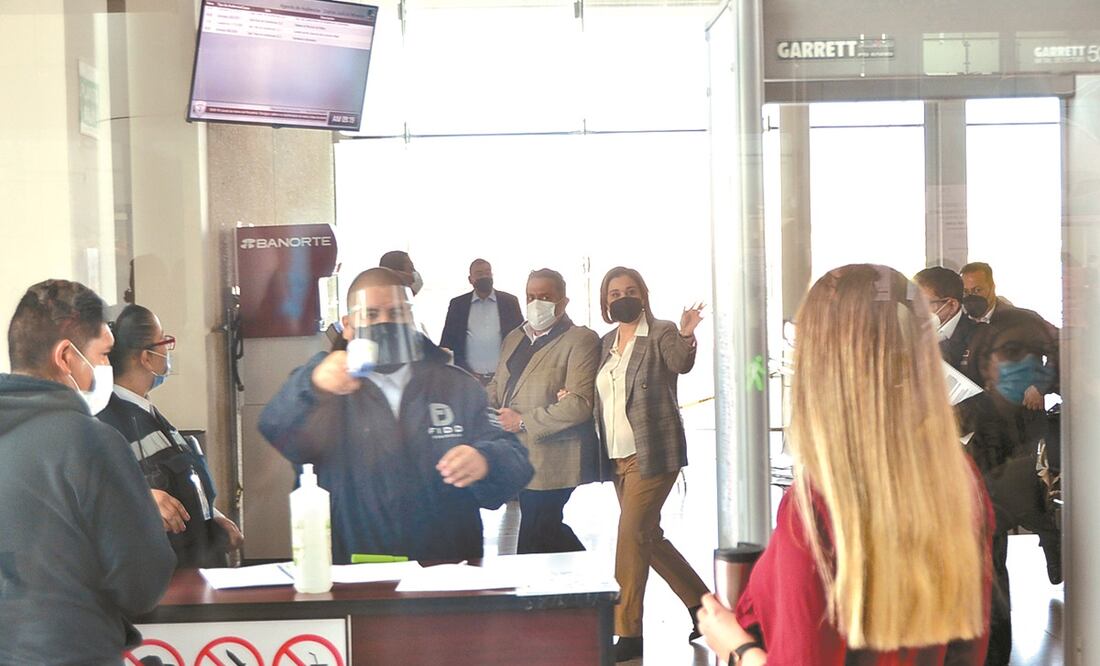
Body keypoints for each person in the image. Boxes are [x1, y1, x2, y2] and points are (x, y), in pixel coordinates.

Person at [697, 264, 992, 666]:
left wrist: (733, 643)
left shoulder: (818, 506)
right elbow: (968, 649)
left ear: (823, 365)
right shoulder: (959, 480)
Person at [259, 267, 533, 563]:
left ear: (412, 318)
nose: (386, 322)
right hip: (352, 569)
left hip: (446, 569)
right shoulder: (322, 386)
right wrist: (311, 384)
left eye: (398, 313)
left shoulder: (455, 385)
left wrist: (485, 460)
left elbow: (515, 458)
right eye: (372, 314)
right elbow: (276, 428)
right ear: (349, 326)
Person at [0, 279, 175, 663]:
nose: (108, 368)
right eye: (104, 355)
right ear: (66, 356)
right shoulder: (91, 443)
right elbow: (141, 585)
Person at [593, 266, 710, 662]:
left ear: (642, 294)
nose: (620, 297)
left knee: (629, 536)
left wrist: (688, 332)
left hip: (654, 453)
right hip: (617, 457)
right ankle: (704, 608)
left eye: (629, 290)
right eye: (613, 293)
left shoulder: (659, 332)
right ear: (606, 302)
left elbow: (680, 362)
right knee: (646, 537)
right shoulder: (606, 342)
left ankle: (628, 633)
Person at [97, 304, 244, 568]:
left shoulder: (150, 414)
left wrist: (213, 517)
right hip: (171, 586)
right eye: (164, 340)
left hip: (199, 569)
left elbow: (180, 484)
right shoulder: (110, 424)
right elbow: (108, 500)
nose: (168, 349)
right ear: (146, 358)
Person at [965, 307, 1062, 665]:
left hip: (1021, 438)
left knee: (994, 553)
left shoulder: (1031, 334)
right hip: (989, 446)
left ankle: (1051, 535)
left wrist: (1042, 385)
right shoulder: (981, 400)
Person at [486, 268, 602, 555]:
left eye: (546, 296)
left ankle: (534, 592)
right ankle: (588, 585)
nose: (537, 302)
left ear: (563, 302)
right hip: (518, 455)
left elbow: (579, 404)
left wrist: (523, 421)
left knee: (537, 530)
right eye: (531, 296)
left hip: (554, 456)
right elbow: (498, 385)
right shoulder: (514, 337)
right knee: (545, 530)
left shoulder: (580, 339)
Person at [439, 258, 523, 384]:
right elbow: (447, 343)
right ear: (470, 279)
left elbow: (521, 339)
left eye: (487, 272)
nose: (485, 276)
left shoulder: (509, 302)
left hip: (503, 379)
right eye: (479, 274)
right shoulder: (458, 305)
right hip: (468, 379)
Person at [914, 266, 979, 373]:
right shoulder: (910, 334)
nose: (916, 309)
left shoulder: (982, 339)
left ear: (952, 305)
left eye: (922, 303)